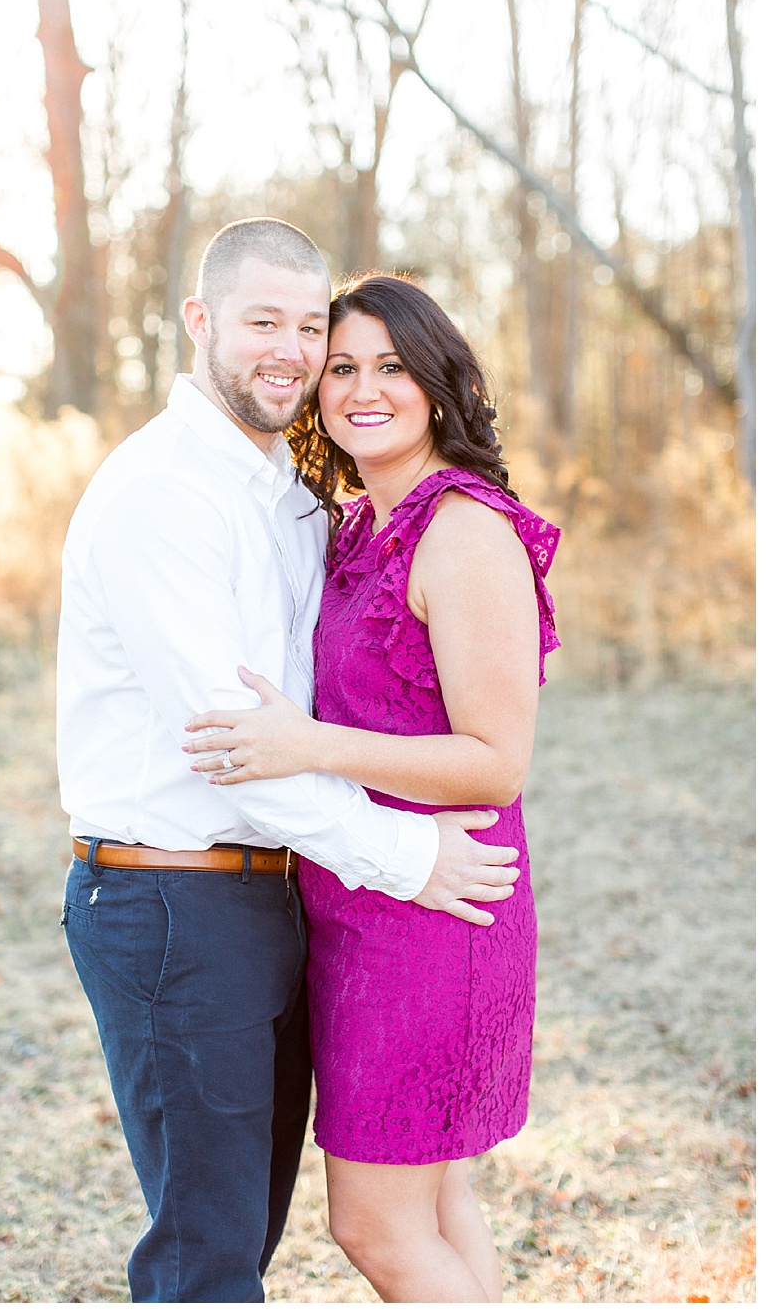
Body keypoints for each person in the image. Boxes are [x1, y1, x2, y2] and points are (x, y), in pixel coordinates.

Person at [55, 217, 522, 1303]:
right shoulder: (161, 493)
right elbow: (234, 740)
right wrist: (403, 854)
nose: (293, 351)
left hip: (281, 896)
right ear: (201, 321)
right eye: (265, 320)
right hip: (172, 900)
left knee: (248, 1231)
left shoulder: (293, 494)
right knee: (208, 1255)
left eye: (310, 327)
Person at [183, 273, 559, 1301]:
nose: (362, 387)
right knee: (438, 1208)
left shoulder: (465, 532)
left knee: (376, 1227)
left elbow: (497, 757)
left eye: (392, 366)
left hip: (437, 910)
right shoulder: (356, 528)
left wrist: (308, 744)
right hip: (361, 908)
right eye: (342, 366)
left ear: (437, 383)